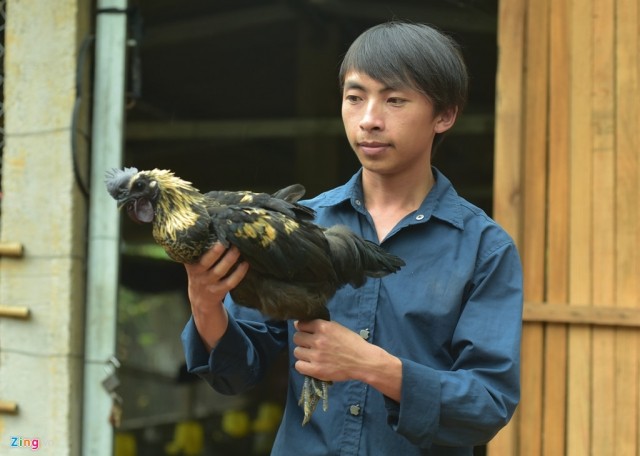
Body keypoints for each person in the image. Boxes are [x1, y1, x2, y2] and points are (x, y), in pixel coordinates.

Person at [181, 21, 523, 455]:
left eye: (394, 100)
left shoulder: (484, 249)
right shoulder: (295, 226)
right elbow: (236, 372)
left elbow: (486, 406)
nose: (369, 120)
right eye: (355, 98)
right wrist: (205, 303)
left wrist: (372, 366)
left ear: (445, 115)